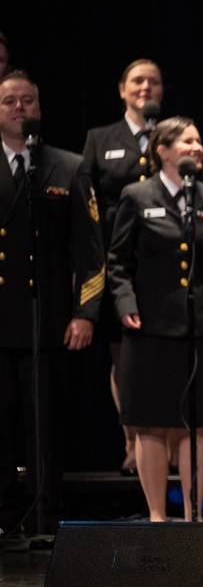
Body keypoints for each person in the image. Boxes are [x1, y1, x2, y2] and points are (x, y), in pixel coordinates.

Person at [107, 117, 203, 522]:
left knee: (194, 426)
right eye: (187, 141)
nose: (196, 147)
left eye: (199, 141)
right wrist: (125, 303)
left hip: (199, 327)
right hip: (149, 327)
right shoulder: (136, 195)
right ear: (162, 150)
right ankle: (158, 516)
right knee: (151, 424)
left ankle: (192, 517)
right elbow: (118, 261)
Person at [0, 71, 104, 536]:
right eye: (9, 102)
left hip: (49, 318)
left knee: (45, 426)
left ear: (39, 109)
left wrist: (85, 313)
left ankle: (43, 515)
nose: (19, 108)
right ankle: (4, 516)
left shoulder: (67, 165)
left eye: (27, 101)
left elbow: (90, 249)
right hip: (1, 317)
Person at [79, 58, 164, 477]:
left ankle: (162, 445)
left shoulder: (174, 135)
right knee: (125, 359)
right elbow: (86, 203)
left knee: (162, 358)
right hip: (119, 264)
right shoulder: (101, 138)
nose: (145, 87)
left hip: (164, 264)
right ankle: (133, 444)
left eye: (153, 81)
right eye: (137, 81)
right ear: (121, 89)